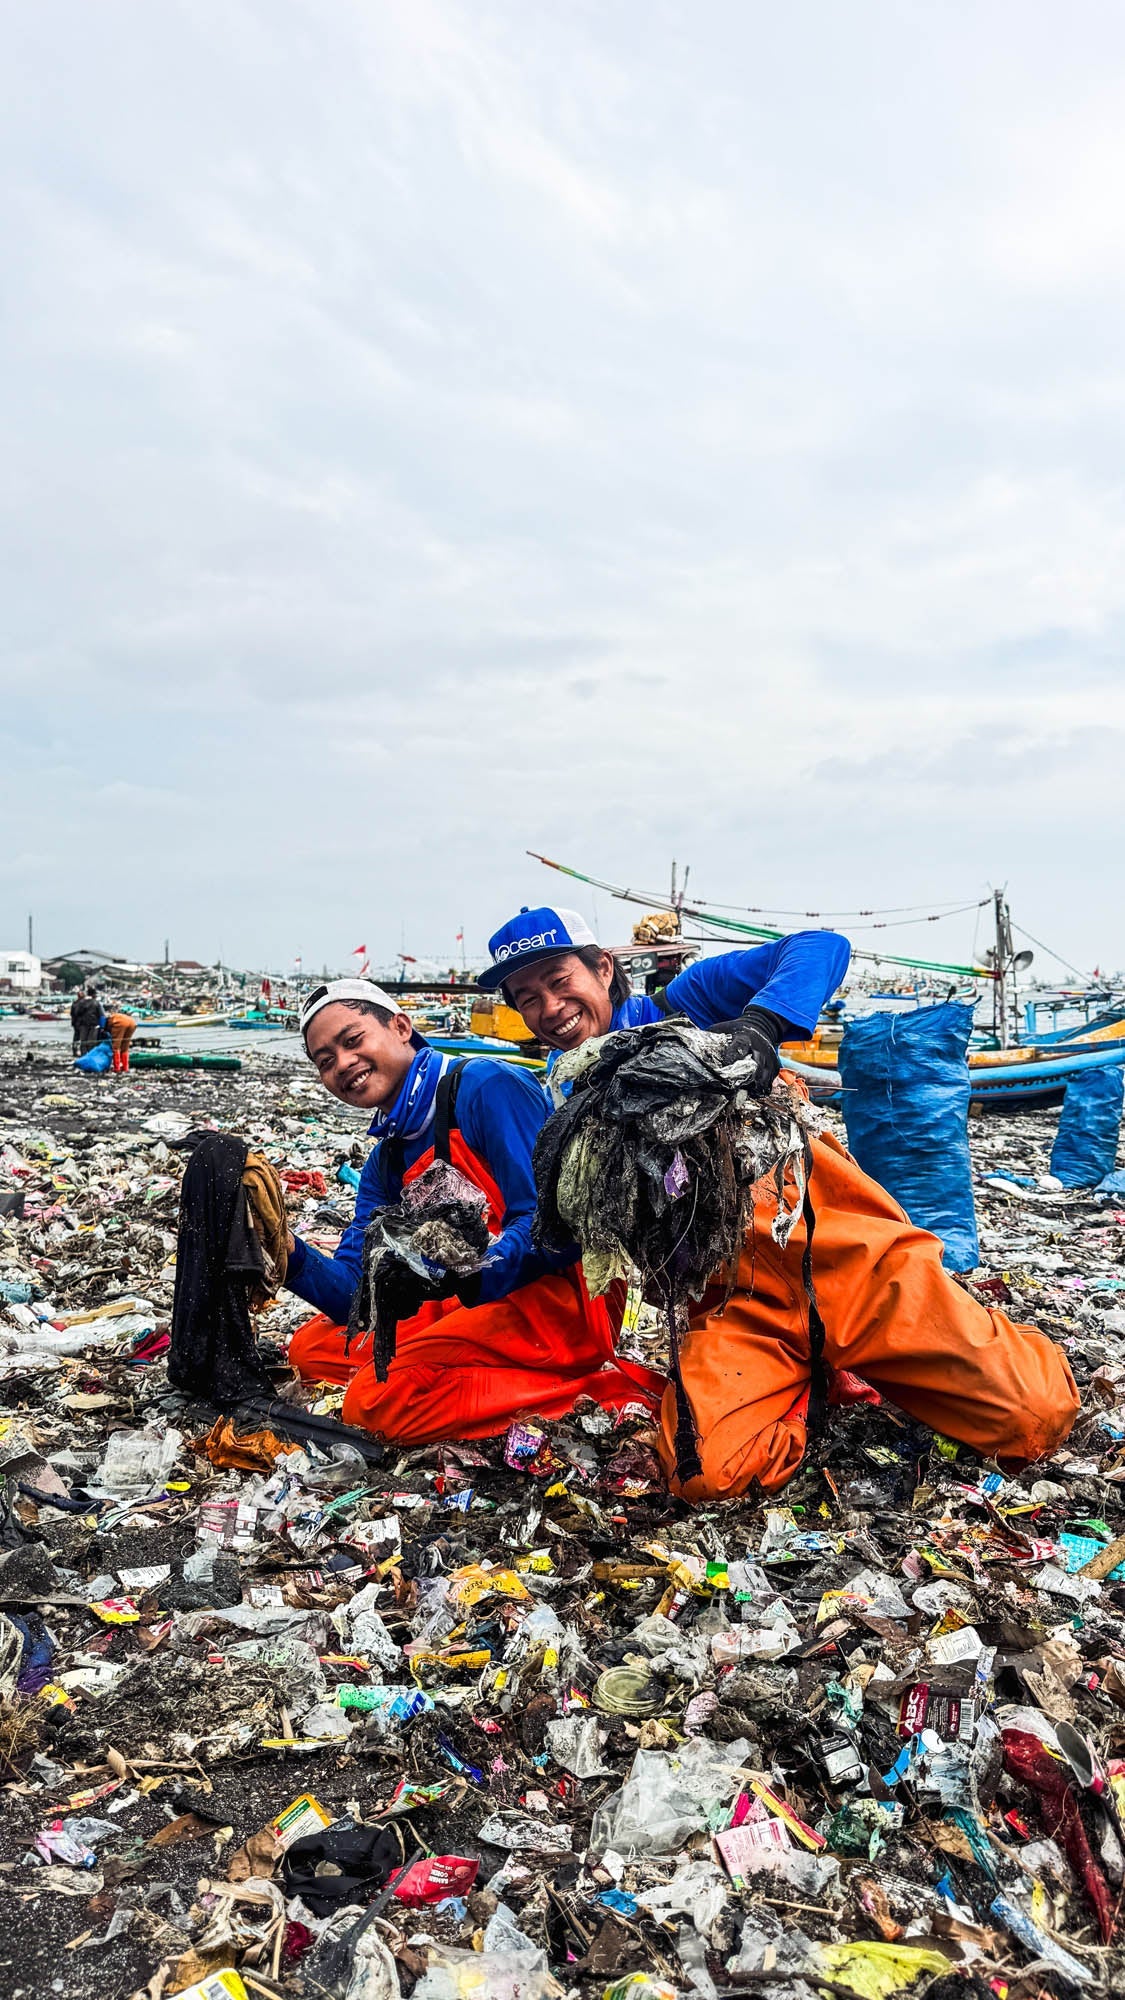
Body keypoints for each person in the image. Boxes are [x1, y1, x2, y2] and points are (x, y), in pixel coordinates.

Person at [482, 903, 1079, 1502]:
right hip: (738, 1309)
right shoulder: (572, 1102)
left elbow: (821, 946)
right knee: (705, 1476)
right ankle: (811, 1380)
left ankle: (974, 1339)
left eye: (561, 982)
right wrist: (466, 1267)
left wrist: (759, 1027)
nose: (551, 1009)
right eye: (527, 998)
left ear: (604, 968)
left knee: (1036, 1421)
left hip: (851, 1263)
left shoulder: (688, 1007)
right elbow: (562, 1227)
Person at [284, 978, 664, 1443]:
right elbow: (355, 1297)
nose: (344, 1064)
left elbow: (555, 1228)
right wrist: (286, 1253)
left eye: (352, 1040)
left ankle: (598, 1390)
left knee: (373, 1402)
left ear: (401, 1026)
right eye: (326, 1061)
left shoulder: (485, 1087)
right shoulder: (388, 1156)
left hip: (556, 1300)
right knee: (311, 1350)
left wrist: (474, 1271)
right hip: (465, 1297)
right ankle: (457, 1366)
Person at [105, 1006, 137, 1074]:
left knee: (116, 1047)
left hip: (120, 1023)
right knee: (125, 1047)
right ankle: (125, 1067)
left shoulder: (110, 1018)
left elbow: (108, 1027)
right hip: (132, 1022)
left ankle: (117, 1067)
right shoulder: (118, 1015)